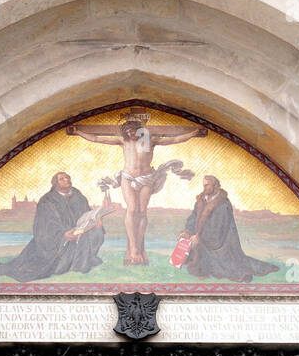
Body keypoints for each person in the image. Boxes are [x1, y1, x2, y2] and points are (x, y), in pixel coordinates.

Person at [68, 113, 206, 264]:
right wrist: (78, 132)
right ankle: (133, 248)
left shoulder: (150, 141)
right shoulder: (124, 141)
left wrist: (194, 133)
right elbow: (96, 138)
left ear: (139, 130)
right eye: (127, 131)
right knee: (132, 209)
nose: (130, 134)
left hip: (146, 178)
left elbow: (174, 139)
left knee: (141, 211)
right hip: (128, 177)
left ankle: (139, 248)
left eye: (132, 131)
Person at [0, 172, 105, 282]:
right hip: (56, 239)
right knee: (58, 268)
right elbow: (44, 224)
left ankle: (82, 261)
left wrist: (96, 220)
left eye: (67, 177)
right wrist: (63, 234)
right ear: (55, 183)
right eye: (61, 179)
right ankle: (69, 263)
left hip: (80, 231)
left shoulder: (78, 195)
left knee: (98, 230)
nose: (66, 180)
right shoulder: (47, 200)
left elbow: (87, 212)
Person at [180, 176, 277, 283]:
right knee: (186, 247)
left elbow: (218, 228)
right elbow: (193, 217)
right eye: (204, 185)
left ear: (215, 185)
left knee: (228, 268)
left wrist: (199, 237)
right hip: (201, 237)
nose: (204, 187)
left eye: (207, 185)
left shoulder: (223, 204)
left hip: (222, 243)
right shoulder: (201, 200)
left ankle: (243, 274)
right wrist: (187, 231)